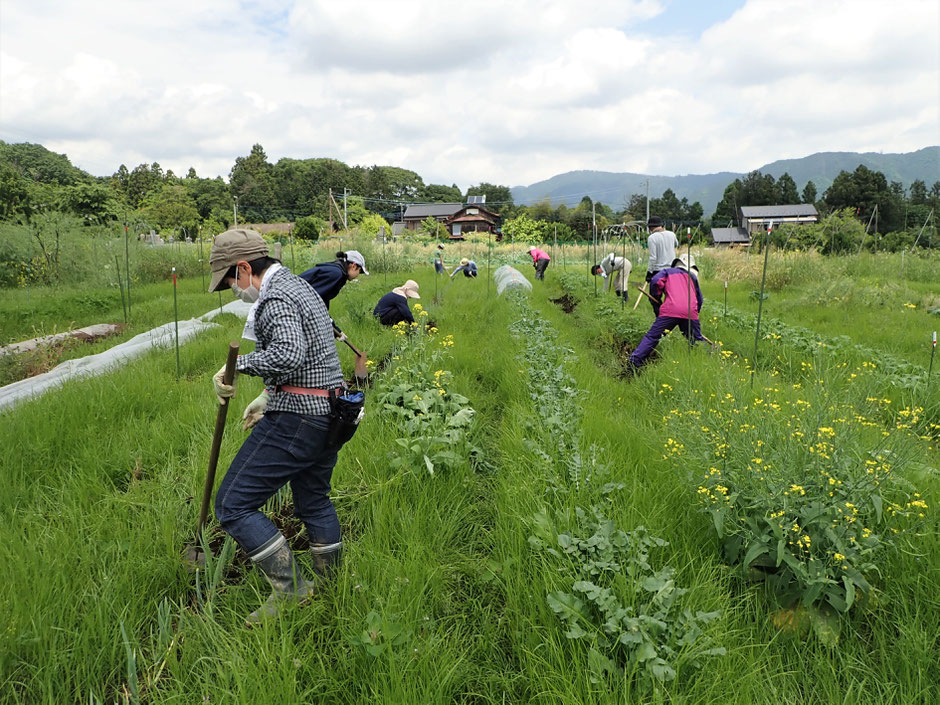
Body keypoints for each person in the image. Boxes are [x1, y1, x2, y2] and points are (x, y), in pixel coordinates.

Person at [207, 229, 359, 623]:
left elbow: (288, 353)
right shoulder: (300, 285)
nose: (232, 289)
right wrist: (268, 395)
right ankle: (332, 584)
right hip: (332, 413)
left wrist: (234, 367)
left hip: (299, 418)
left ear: (244, 268)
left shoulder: (275, 296)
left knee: (232, 504)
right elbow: (312, 353)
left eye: (229, 281)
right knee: (313, 499)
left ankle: (291, 590)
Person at [627, 253, 707, 372]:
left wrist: (657, 298)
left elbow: (655, 281)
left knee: (652, 337)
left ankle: (634, 363)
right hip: (690, 312)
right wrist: (694, 314)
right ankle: (704, 363)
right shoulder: (693, 277)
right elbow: (699, 299)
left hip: (670, 310)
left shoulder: (667, 272)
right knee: (696, 339)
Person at [299, 250, 369, 338]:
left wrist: (334, 328)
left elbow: (322, 299)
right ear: (353, 265)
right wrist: (329, 322)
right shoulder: (336, 274)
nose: (358, 274)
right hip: (291, 301)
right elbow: (313, 299)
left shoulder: (336, 272)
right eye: (359, 271)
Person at [644, 216, 678, 311]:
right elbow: (676, 244)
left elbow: (653, 257)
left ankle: (661, 317)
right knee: (671, 296)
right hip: (672, 270)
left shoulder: (652, 238)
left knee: (654, 298)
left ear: (651, 227)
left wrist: (649, 272)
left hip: (658, 272)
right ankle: (669, 316)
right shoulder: (672, 234)